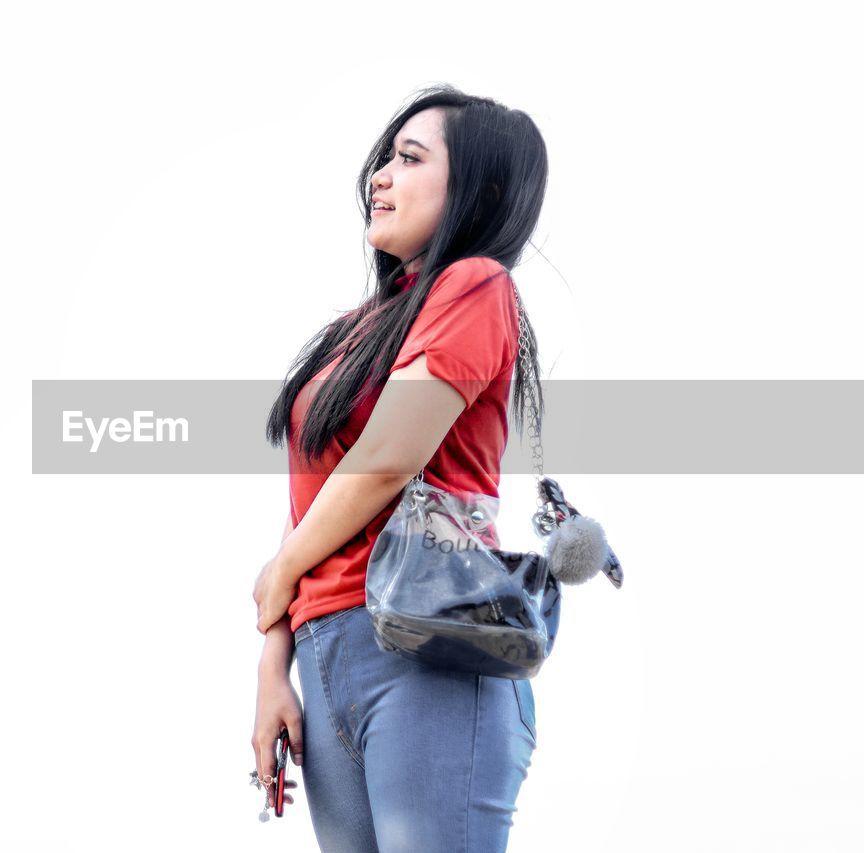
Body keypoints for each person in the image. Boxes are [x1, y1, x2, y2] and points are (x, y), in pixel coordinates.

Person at [250, 84, 549, 853]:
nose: (381, 173)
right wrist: (273, 663)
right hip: (325, 654)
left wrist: (280, 572)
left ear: (477, 190)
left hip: (426, 646)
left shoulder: (475, 283)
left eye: (410, 158)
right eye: (385, 155)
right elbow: (312, 501)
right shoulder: (349, 332)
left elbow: (387, 457)